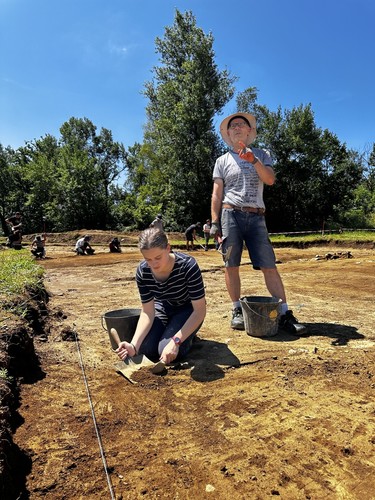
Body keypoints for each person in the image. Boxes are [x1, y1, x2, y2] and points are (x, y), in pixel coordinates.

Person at [210, 112, 306, 335]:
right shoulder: (221, 161)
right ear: (228, 133)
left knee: (268, 265)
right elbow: (216, 194)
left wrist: (253, 160)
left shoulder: (262, 154)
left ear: (249, 131)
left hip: (256, 215)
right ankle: (236, 310)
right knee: (230, 264)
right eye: (232, 126)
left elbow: (270, 180)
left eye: (241, 125)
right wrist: (215, 222)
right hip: (230, 214)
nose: (237, 128)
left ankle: (283, 313)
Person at [116, 228, 206, 364]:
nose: (154, 264)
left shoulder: (188, 266)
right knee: (146, 349)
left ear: (168, 248)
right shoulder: (143, 272)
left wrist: (176, 342)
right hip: (162, 306)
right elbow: (147, 311)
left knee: (166, 351)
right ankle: (173, 330)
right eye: (148, 259)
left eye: (158, 258)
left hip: (188, 310)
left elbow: (200, 311)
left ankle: (188, 335)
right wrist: (134, 345)